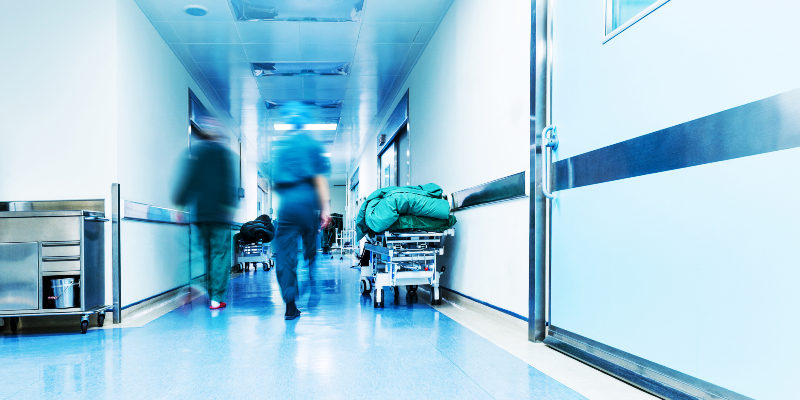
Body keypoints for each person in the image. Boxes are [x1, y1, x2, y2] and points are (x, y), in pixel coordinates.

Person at [270, 102, 331, 320]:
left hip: (287, 205)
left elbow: (274, 183)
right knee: (310, 244)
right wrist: (325, 208)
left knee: (285, 255)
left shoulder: (280, 147)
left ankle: (290, 305)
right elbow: (319, 178)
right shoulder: (312, 145)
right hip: (308, 202)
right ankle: (312, 271)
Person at [173, 116, 238, 310]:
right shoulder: (225, 155)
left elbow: (189, 181)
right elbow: (229, 185)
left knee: (208, 255)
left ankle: (212, 294)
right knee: (219, 256)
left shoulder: (196, 154)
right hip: (220, 215)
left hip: (201, 215)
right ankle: (216, 298)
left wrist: (180, 207)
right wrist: (230, 208)